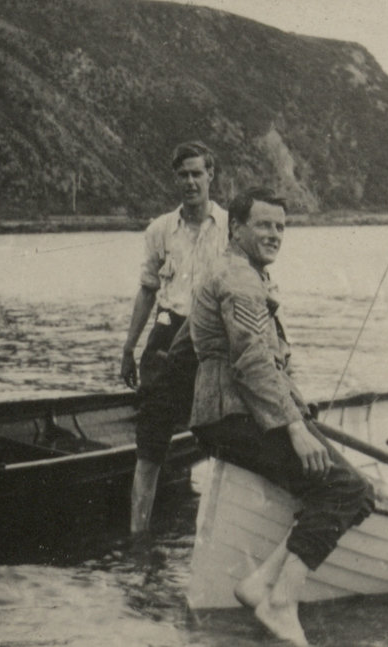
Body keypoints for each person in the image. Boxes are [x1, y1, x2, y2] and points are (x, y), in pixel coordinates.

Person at [188, 187, 373, 646]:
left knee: (356, 493)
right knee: (346, 489)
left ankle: (258, 585)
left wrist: (301, 415)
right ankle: (281, 601)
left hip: (237, 409)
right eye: (265, 225)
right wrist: (295, 427)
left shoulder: (244, 273)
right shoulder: (240, 279)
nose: (275, 235)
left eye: (281, 227)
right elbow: (252, 361)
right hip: (235, 412)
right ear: (237, 227)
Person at [122, 141, 228, 535]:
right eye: (182, 174)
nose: (190, 182)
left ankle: (215, 532)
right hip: (167, 334)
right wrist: (129, 347)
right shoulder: (160, 230)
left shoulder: (230, 229)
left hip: (211, 339)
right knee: (150, 439)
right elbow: (147, 290)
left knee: (219, 433)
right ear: (175, 178)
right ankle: (139, 534)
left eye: (197, 173)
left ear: (211, 175)